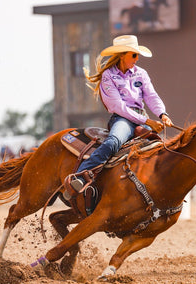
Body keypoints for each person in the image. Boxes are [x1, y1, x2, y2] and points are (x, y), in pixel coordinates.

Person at [64, 34, 172, 197]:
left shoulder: (141, 73)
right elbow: (118, 106)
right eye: (134, 55)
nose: (137, 59)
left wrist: (162, 113)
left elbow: (151, 96)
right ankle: (80, 175)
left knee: (159, 147)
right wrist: (147, 120)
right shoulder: (108, 76)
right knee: (114, 141)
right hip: (123, 119)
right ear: (123, 55)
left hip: (141, 118)